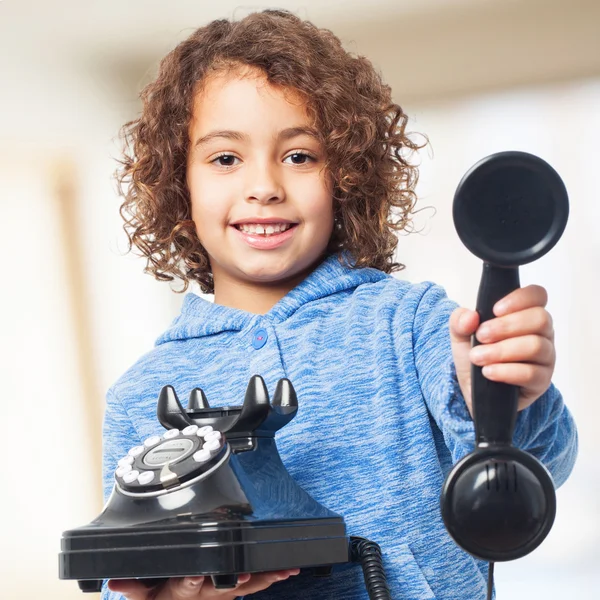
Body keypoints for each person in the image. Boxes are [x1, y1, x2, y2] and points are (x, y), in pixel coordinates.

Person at [102, 9, 578, 600]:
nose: (264, 185)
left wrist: (509, 397)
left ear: (348, 175)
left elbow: (540, 468)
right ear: (180, 184)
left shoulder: (416, 327)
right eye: (225, 158)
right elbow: (122, 579)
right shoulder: (137, 395)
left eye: (299, 155)